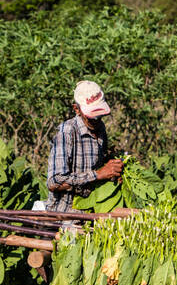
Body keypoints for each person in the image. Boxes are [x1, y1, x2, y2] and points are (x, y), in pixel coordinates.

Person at [46, 80, 124, 211]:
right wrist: (98, 175)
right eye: (92, 117)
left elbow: (99, 166)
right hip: (65, 213)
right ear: (76, 109)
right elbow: (54, 182)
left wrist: (112, 170)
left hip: (91, 207)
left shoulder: (100, 129)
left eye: (100, 116)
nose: (97, 120)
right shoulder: (67, 132)